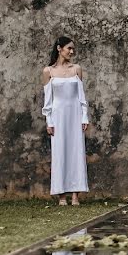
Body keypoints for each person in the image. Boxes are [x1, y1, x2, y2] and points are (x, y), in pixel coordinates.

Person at [42, 36, 89, 205]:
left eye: (73, 49)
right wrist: (50, 121)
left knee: (76, 152)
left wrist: (84, 116)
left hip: (75, 114)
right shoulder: (48, 71)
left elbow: (81, 96)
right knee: (60, 152)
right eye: (69, 48)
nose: (72, 52)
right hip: (58, 115)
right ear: (59, 48)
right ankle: (61, 195)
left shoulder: (77, 69)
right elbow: (47, 101)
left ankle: (75, 195)